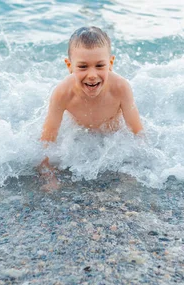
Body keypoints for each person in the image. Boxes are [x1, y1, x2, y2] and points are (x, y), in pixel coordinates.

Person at [38, 26, 144, 192]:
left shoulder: (121, 88)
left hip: (112, 137)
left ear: (110, 64)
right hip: (81, 136)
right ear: (69, 66)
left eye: (100, 65)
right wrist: (49, 175)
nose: (92, 75)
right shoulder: (62, 93)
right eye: (83, 67)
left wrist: (139, 168)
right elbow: (47, 140)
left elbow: (137, 132)